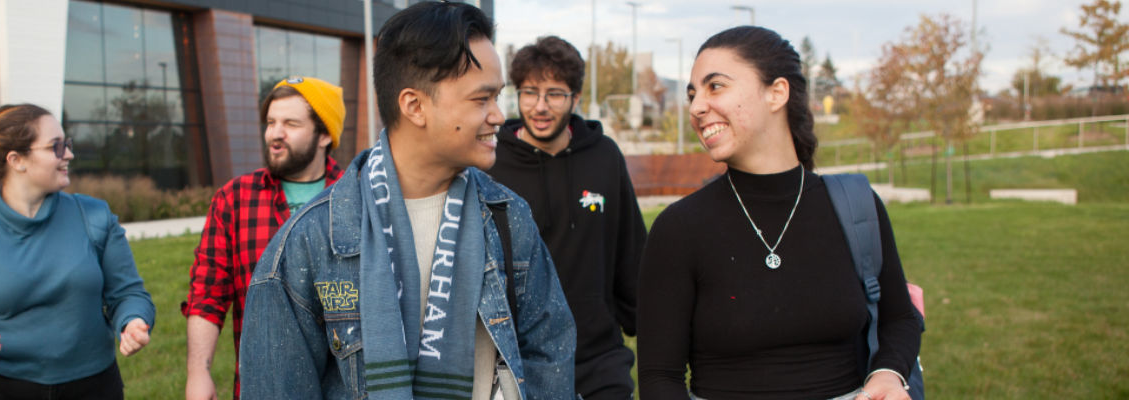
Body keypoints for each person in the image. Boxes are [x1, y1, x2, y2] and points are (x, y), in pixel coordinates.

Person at [239, 2, 576, 400]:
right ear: (414, 106)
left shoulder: (508, 217)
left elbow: (549, 365)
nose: (499, 116)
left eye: (498, 96)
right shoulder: (307, 245)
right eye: (481, 99)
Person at [636, 27, 922, 400]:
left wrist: (887, 374)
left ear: (777, 93)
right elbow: (660, 378)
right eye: (692, 94)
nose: (696, 107)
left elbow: (900, 318)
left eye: (715, 86)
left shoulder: (856, 206)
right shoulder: (679, 229)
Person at [0, 104, 156, 399]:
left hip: (94, 387)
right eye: (56, 146)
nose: (69, 154)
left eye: (67, 144)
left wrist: (133, 320)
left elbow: (129, 294)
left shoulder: (94, 217)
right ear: (17, 160)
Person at [490, 35, 645, 400]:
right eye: (529, 92)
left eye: (555, 94)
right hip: (518, 362)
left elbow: (631, 250)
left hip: (599, 361)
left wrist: (646, 321)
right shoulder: (492, 163)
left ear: (576, 98)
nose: (540, 106)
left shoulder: (604, 156)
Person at [183, 76, 347, 400]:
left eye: (290, 123)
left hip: (344, 386)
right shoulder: (234, 199)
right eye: (271, 122)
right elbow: (207, 295)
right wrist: (198, 373)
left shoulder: (355, 199)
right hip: (263, 386)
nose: (275, 133)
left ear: (325, 134)